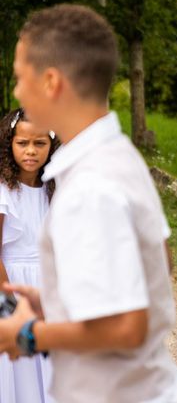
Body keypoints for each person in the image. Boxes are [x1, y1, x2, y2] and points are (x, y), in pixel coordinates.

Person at [0, 4, 177, 403]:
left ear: (50, 82)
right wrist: (56, 304)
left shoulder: (90, 185)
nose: (16, 91)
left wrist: (29, 334)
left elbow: (126, 328)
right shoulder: (119, 154)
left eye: (19, 78)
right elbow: (161, 261)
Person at [0, 108, 58, 403]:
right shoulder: (3, 191)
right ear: (10, 144)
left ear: (51, 145)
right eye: (23, 143)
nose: (31, 151)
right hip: (11, 286)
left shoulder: (54, 188)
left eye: (40, 143)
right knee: (20, 371)